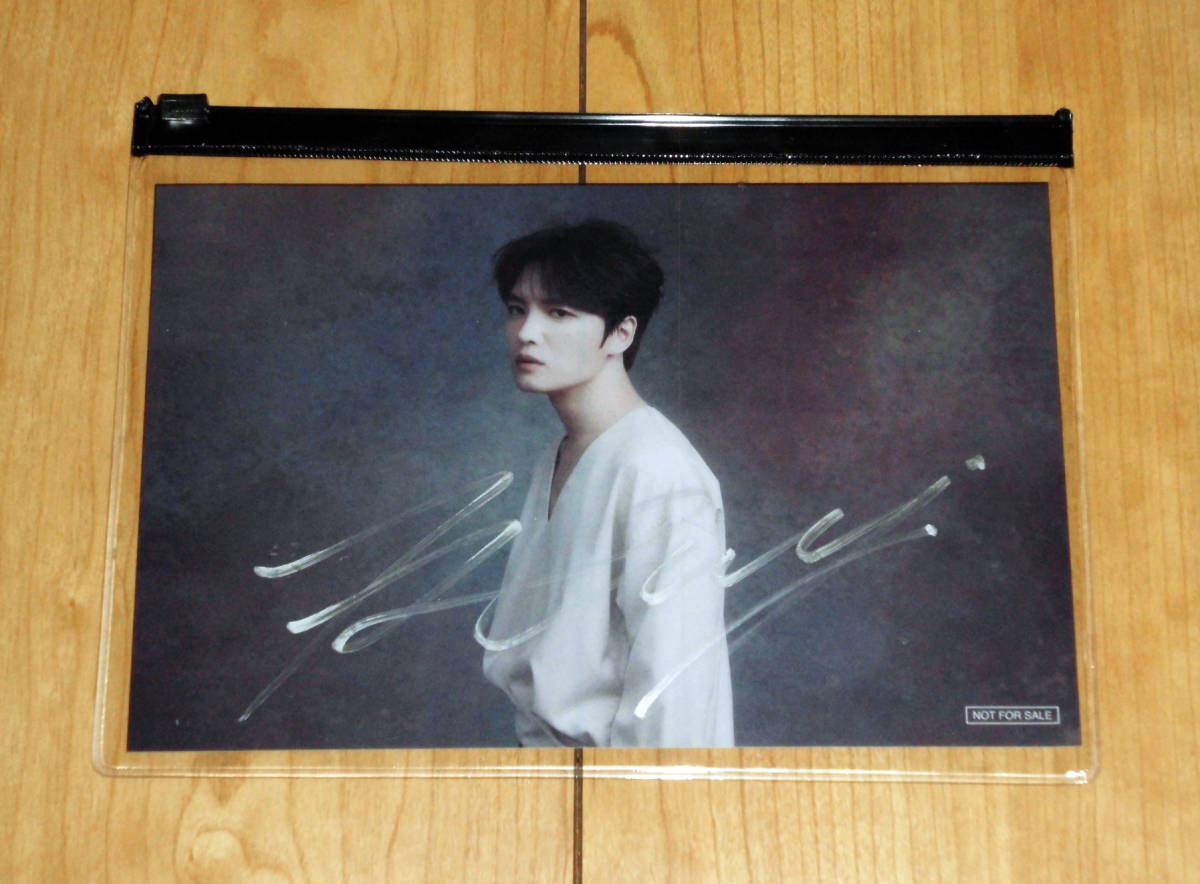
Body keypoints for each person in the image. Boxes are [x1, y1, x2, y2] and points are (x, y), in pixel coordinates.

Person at [477, 219, 734, 748]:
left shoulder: (656, 469)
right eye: (517, 308)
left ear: (621, 333)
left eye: (559, 313)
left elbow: (675, 697)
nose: (527, 332)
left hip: (622, 779)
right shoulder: (560, 453)